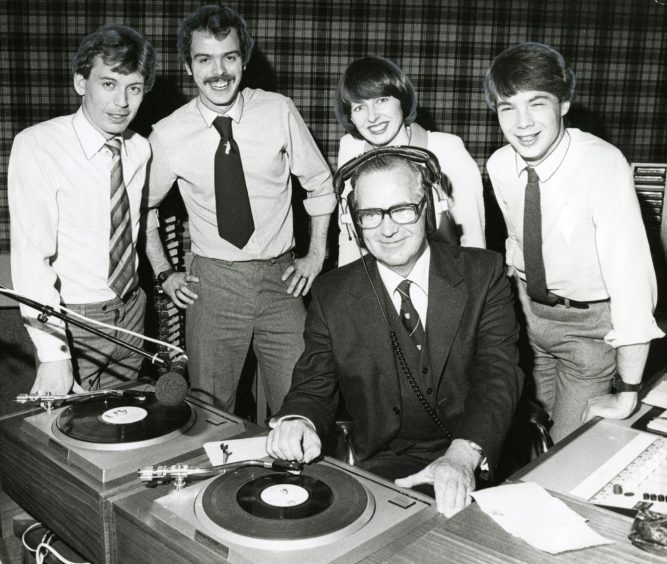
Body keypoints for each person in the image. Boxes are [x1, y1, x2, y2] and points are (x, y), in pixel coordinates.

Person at [266, 148, 523, 517]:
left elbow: (498, 376)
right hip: (386, 468)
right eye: (370, 215)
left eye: (402, 209)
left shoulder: (484, 273)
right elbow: (313, 385)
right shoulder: (331, 293)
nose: (387, 229)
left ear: (429, 208)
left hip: (477, 452)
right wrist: (297, 421)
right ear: (353, 223)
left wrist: (464, 455)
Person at [144, 5, 336, 413]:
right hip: (212, 286)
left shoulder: (278, 110)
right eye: (204, 59)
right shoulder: (168, 134)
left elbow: (320, 183)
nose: (219, 71)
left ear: (244, 61)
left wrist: (316, 254)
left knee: (302, 406)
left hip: (280, 282)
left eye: (229, 57)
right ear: (188, 66)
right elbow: (144, 207)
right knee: (210, 413)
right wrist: (164, 272)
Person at [484, 42, 664, 442]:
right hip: (529, 321)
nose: (523, 122)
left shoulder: (602, 164)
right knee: (527, 438)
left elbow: (631, 280)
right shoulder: (500, 165)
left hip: (588, 331)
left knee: (565, 452)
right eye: (507, 107)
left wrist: (629, 391)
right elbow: (518, 240)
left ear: (564, 103)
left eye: (537, 103)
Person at [8, 24, 156, 395]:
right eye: (109, 84)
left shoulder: (140, 150)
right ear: (80, 83)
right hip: (74, 319)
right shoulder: (38, 146)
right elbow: (30, 260)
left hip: (132, 309)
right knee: (72, 440)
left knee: (128, 426)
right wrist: (54, 354)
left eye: (133, 88)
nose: (122, 102)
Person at [333, 56, 485, 266]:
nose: (372, 117)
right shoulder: (351, 148)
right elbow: (349, 235)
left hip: (443, 274)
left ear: (402, 101)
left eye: (381, 100)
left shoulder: (448, 149)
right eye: (359, 107)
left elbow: (473, 239)